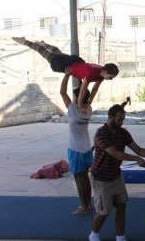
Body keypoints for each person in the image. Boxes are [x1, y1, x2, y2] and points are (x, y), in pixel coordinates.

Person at [88, 104, 145, 241]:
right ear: (110, 117)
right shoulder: (101, 134)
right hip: (101, 178)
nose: (121, 123)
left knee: (122, 205)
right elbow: (115, 153)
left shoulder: (123, 132)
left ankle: (120, 237)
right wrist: (136, 159)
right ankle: (94, 235)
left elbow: (138, 149)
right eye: (119, 120)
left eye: (123, 120)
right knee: (104, 211)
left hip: (116, 175)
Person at [12, 37, 119, 111]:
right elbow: (82, 91)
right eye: (110, 77)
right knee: (45, 53)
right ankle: (25, 41)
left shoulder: (101, 73)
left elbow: (94, 89)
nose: (110, 79)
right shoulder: (92, 74)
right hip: (67, 66)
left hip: (75, 61)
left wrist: (90, 102)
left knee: (57, 51)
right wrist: (81, 106)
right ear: (105, 71)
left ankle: (44, 43)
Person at [59, 68, 93, 215]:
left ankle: (84, 207)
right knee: (85, 178)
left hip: (76, 150)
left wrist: (67, 74)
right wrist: (79, 75)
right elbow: (82, 92)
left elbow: (62, 92)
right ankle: (88, 205)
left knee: (79, 179)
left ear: (77, 97)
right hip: (87, 149)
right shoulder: (89, 108)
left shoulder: (73, 109)